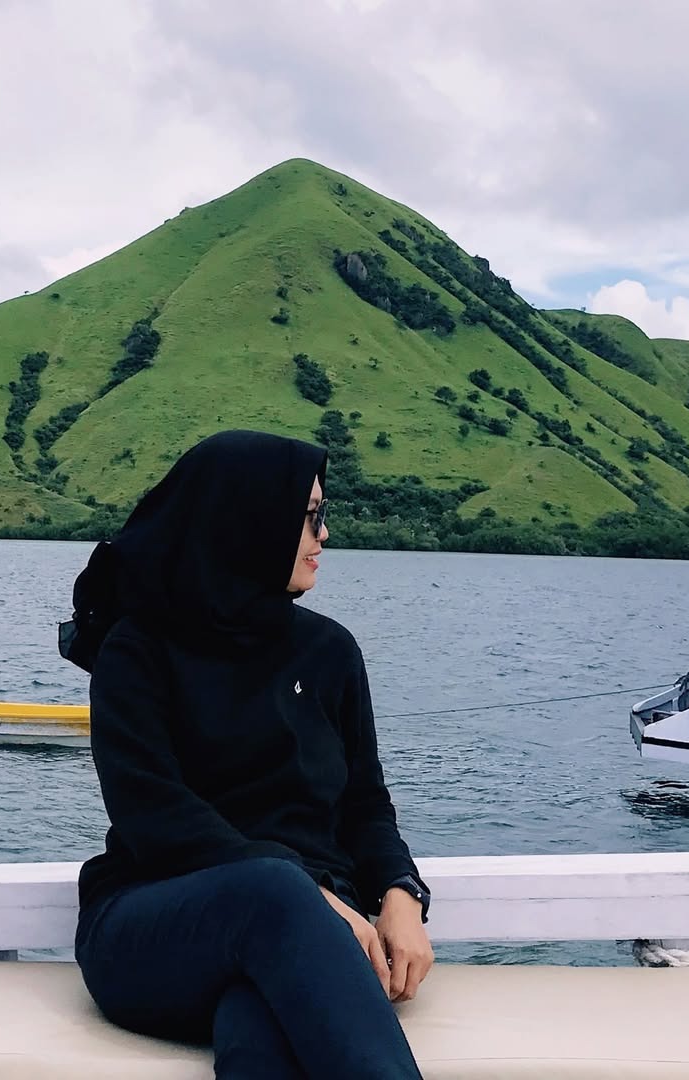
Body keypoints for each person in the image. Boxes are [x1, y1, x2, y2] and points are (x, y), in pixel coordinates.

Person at [65, 429, 432, 1079]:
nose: (324, 535)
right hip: (155, 927)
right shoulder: (138, 650)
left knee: (258, 1033)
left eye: (323, 514)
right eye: (310, 516)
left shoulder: (330, 652)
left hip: (305, 935)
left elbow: (365, 804)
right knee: (276, 894)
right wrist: (308, 894)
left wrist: (402, 892)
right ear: (249, 520)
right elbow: (152, 813)